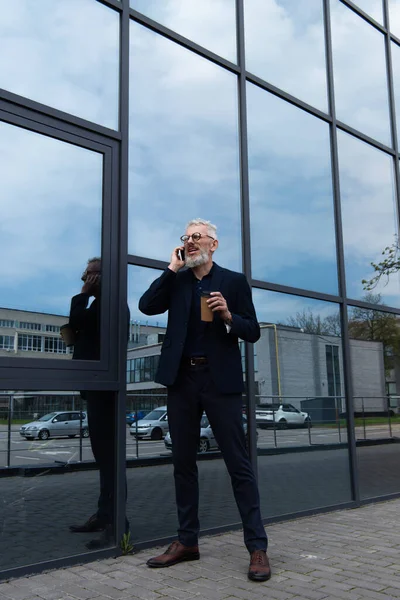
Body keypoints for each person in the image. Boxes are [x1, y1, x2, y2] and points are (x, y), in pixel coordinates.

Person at [139, 219, 270, 582]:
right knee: (183, 462)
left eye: (197, 237)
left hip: (219, 379)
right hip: (182, 380)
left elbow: (253, 330)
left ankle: (257, 546)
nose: (190, 241)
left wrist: (228, 315)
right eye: (186, 237)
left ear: (214, 244)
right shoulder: (178, 280)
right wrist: (171, 268)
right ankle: (187, 542)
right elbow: (147, 305)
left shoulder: (233, 281)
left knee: (238, 464)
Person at [68, 258, 129, 550]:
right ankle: (106, 515)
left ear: (102, 277)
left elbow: (78, 320)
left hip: (106, 392)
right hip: (98, 390)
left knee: (110, 461)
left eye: (90, 274)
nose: (85, 277)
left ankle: (117, 525)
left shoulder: (108, 304)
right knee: (104, 460)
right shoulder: (101, 304)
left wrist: (81, 294)